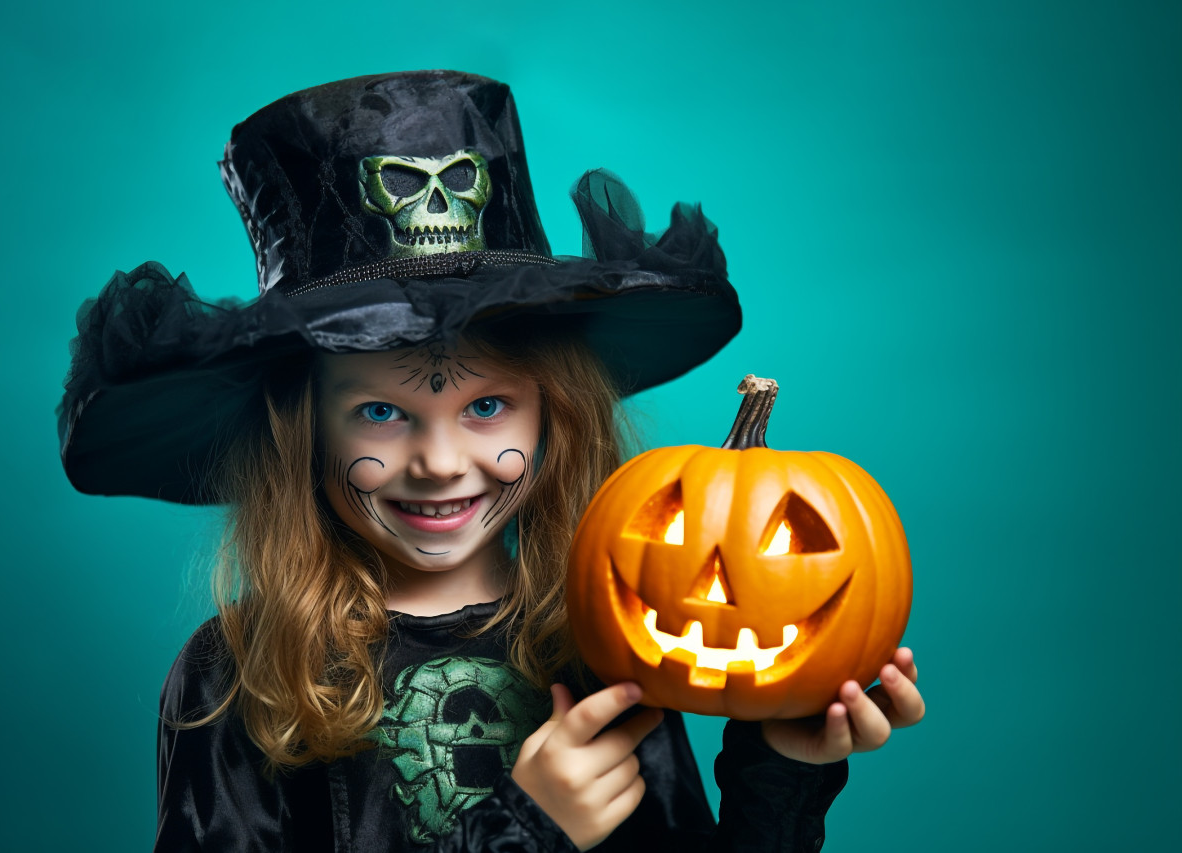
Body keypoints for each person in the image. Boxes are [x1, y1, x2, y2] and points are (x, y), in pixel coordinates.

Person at [59, 71, 924, 852]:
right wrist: (530, 830)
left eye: (484, 406)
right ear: (304, 431)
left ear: (554, 411)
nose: (441, 462)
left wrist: (781, 762)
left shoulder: (607, 644)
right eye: (382, 412)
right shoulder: (240, 672)